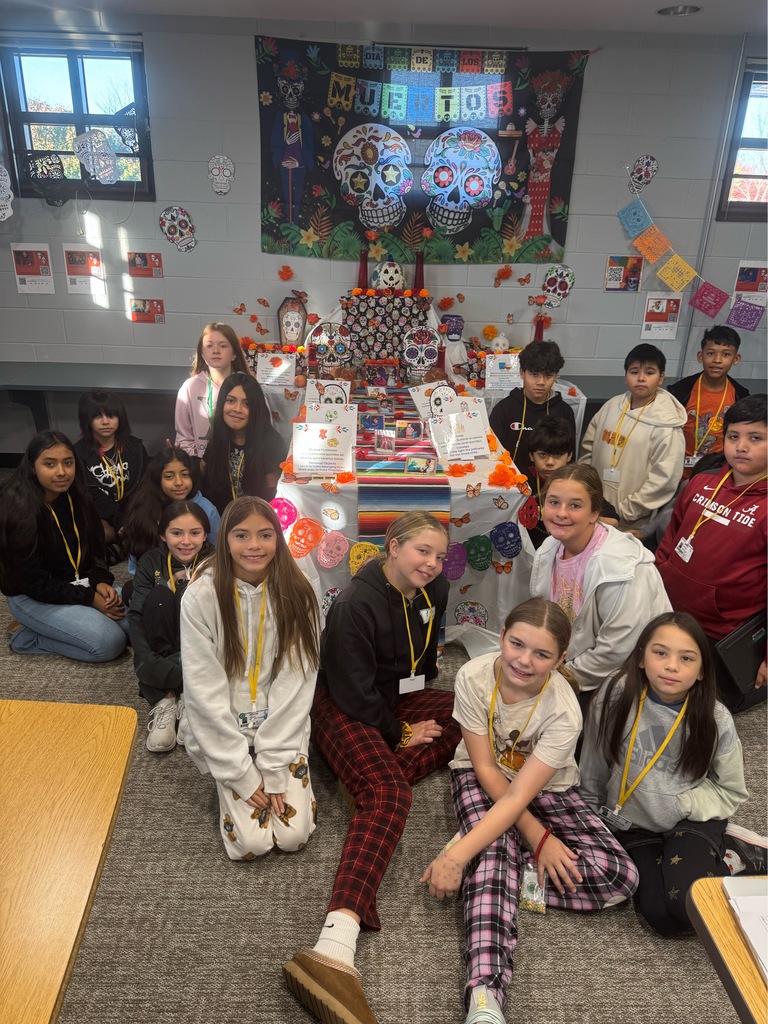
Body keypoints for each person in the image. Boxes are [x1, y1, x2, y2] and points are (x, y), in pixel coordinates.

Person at [420, 599, 639, 1024]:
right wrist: (539, 840)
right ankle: (485, 994)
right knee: (494, 854)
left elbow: (521, 797)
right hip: (478, 775)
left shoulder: (563, 709)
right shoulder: (472, 675)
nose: (524, 660)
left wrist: (462, 854)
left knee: (620, 877)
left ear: (560, 660)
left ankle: (492, 867)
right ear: (501, 637)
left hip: (547, 787)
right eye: (516, 644)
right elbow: (484, 767)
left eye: (541, 654)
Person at [283, 512, 461, 1024]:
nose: (430, 562)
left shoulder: (436, 588)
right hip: (343, 704)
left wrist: (415, 714)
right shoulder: (357, 604)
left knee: (468, 711)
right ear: (393, 546)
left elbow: (423, 663)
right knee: (390, 797)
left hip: (391, 694)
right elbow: (353, 692)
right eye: (420, 551)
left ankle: (365, 778)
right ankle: (333, 945)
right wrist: (402, 733)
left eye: (437, 553)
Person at [579, 611, 766, 937]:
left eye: (686, 658)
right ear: (640, 658)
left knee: (688, 904)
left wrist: (677, 804)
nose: (671, 665)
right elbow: (593, 759)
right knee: (661, 918)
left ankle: (738, 854)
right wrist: (592, 815)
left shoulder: (714, 718)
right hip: (632, 821)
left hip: (688, 817)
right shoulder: (616, 693)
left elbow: (733, 791)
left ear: (701, 672)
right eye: (660, 652)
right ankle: (710, 856)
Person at [179, 497, 320, 858]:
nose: (254, 546)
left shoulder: (300, 590)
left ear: (278, 538)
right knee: (249, 847)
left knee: (294, 838)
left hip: (280, 725)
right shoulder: (200, 596)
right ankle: (227, 772)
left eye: (265, 535)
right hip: (225, 728)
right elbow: (203, 690)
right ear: (225, 539)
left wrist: (273, 765)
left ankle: (271, 768)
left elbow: (298, 681)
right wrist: (239, 772)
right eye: (241, 535)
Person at [655, 394, 767, 713]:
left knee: (703, 713)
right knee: (660, 698)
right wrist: (658, 584)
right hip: (671, 612)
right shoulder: (702, 483)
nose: (741, 446)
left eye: (755, 438)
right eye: (734, 436)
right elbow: (670, 539)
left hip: (721, 634)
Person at [529, 465, 670, 707]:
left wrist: (559, 678)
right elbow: (544, 614)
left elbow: (617, 651)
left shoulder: (623, 568)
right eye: (553, 502)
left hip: (622, 675)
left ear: (595, 512)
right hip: (568, 660)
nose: (561, 513)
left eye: (575, 505)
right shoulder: (548, 548)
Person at [0, 431, 129, 662]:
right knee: (109, 643)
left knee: (135, 624)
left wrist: (101, 580)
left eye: (68, 463)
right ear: (32, 467)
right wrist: (89, 598)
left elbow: (96, 549)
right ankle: (28, 636)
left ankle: (63, 625)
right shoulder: (17, 508)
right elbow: (32, 582)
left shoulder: (77, 494)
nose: (61, 472)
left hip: (81, 581)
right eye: (49, 464)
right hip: (33, 595)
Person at [127, 501, 213, 753]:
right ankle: (165, 698)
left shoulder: (215, 561)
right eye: (176, 533)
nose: (186, 541)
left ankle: (187, 695)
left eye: (195, 533)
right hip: (166, 646)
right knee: (159, 596)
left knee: (192, 594)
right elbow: (136, 616)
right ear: (163, 534)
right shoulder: (151, 560)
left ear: (205, 534)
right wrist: (144, 663)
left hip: (201, 647)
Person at [579, 343, 686, 531]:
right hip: (593, 507)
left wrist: (624, 511)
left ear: (661, 378)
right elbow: (587, 450)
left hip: (631, 519)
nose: (641, 378)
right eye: (634, 371)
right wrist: (585, 493)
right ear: (625, 376)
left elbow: (663, 480)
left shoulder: (667, 425)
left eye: (650, 372)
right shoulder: (611, 407)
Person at [523, 416, 619, 549]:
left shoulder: (578, 482)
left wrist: (581, 519)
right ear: (531, 456)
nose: (550, 462)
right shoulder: (520, 481)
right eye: (542, 455)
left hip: (566, 548)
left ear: (569, 456)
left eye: (557, 455)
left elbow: (613, 520)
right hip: (527, 549)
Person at [668, 326, 749, 478]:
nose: (717, 360)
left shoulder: (740, 396)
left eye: (726, 354)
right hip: (676, 470)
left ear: (736, 359)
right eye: (711, 353)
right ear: (700, 356)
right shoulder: (680, 391)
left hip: (717, 472)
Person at [122, 446, 219, 572]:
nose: (178, 482)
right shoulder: (142, 507)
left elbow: (217, 553)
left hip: (198, 577)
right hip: (153, 578)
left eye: (185, 475)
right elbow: (136, 557)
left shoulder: (206, 508)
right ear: (157, 479)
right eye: (169, 476)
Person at [73, 388, 148, 551]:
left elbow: (142, 487)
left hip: (131, 508)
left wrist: (130, 518)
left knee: (151, 523)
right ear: (87, 420)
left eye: (111, 415)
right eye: (97, 416)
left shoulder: (135, 447)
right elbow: (91, 494)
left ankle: (121, 544)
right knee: (97, 531)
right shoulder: (78, 452)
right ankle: (123, 542)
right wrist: (118, 520)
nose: (105, 422)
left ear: (120, 418)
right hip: (100, 511)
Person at [200, 372, 285, 515]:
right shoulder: (218, 441)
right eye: (231, 401)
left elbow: (273, 496)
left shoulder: (270, 444)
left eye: (246, 404)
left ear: (256, 409)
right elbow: (201, 474)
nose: (237, 409)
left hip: (259, 522)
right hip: (222, 522)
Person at [489, 340, 576, 474]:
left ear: (556, 376)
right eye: (534, 374)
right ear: (522, 373)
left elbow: (569, 458)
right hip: (509, 485)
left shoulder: (564, 412)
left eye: (548, 375)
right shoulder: (504, 409)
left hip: (551, 487)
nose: (541, 382)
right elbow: (492, 454)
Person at [174, 322, 252, 458]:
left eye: (223, 346)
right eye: (209, 346)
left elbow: (262, 430)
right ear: (202, 354)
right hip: (203, 468)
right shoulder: (189, 388)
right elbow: (184, 439)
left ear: (234, 354)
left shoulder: (249, 386)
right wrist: (199, 465)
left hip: (241, 466)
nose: (216, 350)